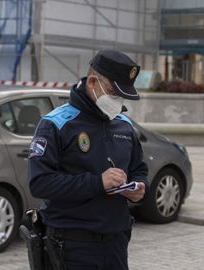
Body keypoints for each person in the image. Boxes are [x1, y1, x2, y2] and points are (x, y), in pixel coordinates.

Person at [27, 49, 149, 270]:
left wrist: (140, 187)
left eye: (122, 96)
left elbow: (139, 169)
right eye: (114, 93)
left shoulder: (124, 125)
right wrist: (97, 182)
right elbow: (40, 183)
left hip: (116, 242)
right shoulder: (55, 124)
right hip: (73, 245)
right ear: (93, 82)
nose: (118, 101)